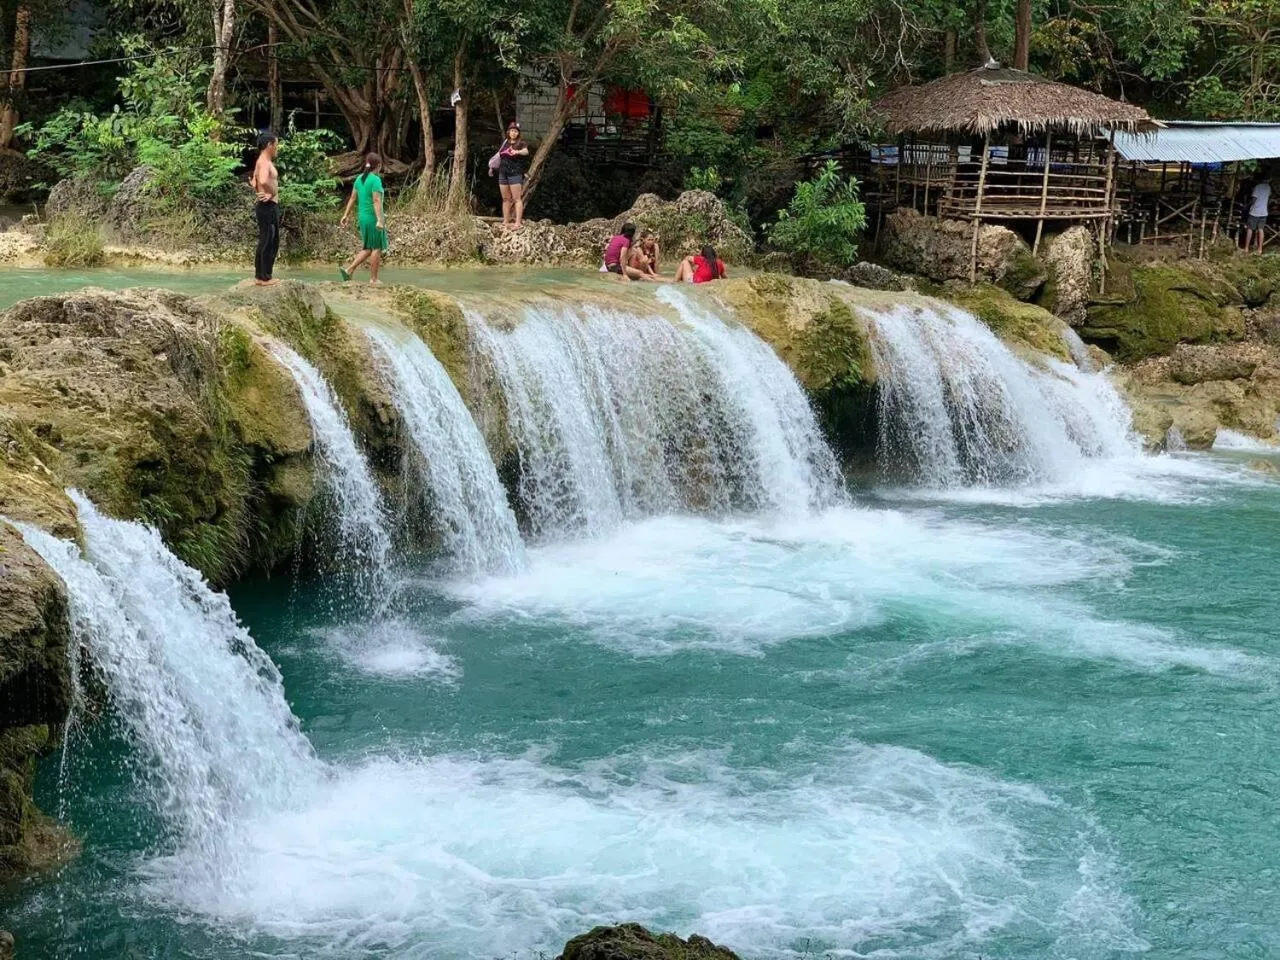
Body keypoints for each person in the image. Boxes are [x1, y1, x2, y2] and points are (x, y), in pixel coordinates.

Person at [339, 153, 388, 284]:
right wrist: (379, 219)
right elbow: (376, 200)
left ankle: (349, 270)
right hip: (372, 218)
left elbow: (353, 198)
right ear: (378, 166)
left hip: (362, 217)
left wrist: (345, 215)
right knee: (376, 248)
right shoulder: (375, 180)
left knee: (368, 248)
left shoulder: (359, 179)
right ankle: (373, 279)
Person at [250, 131, 280, 286]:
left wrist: (259, 190)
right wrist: (271, 192)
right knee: (269, 240)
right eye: (276, 145)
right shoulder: (264, 161)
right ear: (269, 145)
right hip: (267, 205)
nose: (277, 148)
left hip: (267, 205)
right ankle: (263, 277)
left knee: (269, 239)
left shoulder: (262, 161)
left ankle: (262, 275)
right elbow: (261, 179)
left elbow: (254, 180)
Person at [493, 121, 530, 231]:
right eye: (511, 131)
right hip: (503, 172)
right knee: (505, 199)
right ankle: (505, 221)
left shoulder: (521, 143)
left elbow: (526, 152)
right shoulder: (505, 143)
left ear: (518, 133)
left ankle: (518, 222)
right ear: (508, 132)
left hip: (515, 173)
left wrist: (517, 152)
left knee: (517, 198)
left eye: (515, 131)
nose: (513, 133)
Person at [1245, 177, 1272, 254]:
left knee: (1250, 229)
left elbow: (1253, 200)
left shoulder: (1257, 187)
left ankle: (1246, 248)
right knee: (1261, 229)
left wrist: (1247, 205)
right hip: (1264, 212)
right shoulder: (1268, 187)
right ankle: (1260, 249)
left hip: (1255, 211)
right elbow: (1268, 198)